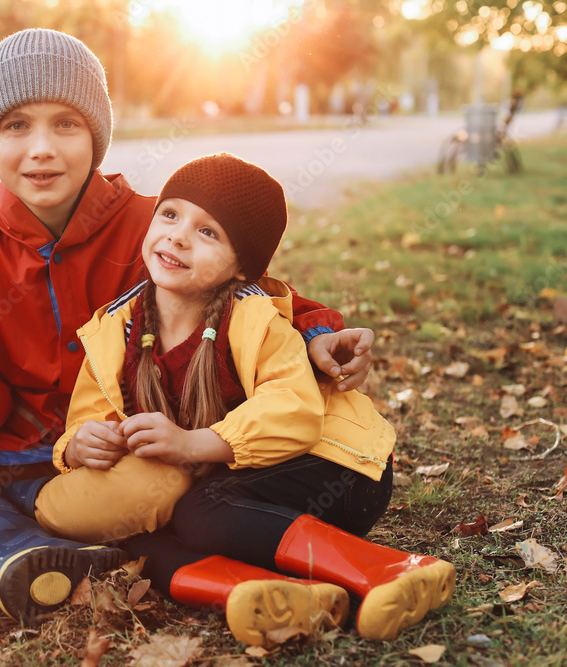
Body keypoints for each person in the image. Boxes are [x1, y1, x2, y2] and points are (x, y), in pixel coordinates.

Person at [0, 28, 375, 626]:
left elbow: (247, 291)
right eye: (16, 126)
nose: (41, 148)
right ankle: (15, 547)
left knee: (161, 487)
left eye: (66, 125)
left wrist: (316, 335)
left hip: (112, 456)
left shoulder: (153, 226)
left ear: (96, 136)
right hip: (3, 442)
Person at [49, 153, 455, 645]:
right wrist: (77, 445)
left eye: (208, 232)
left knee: (203, 511)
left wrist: (193, 444)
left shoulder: (253, 319)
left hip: (337, 469)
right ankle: (270, 592)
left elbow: (294, 410)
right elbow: (89, 414)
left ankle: (391, 569)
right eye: (170, 214)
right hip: (248, 487)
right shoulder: (116, 328)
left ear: (242, 265)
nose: (178, 236)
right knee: (136, 535)